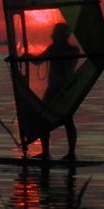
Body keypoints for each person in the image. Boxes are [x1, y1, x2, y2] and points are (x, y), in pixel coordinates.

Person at [35, 23, 80, 161]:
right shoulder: (72, 50)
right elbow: (37, 61)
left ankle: (69, 153)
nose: (53, 37)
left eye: (55, 34)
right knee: (54, 119)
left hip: (61, 90)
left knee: (63, 119)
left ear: (62, 36)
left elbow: (38, 61)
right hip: (64, 89)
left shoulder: (63, 50)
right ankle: (47, 152)